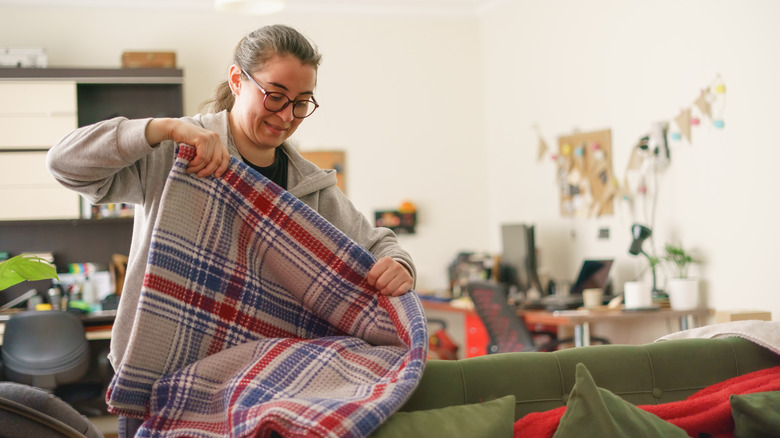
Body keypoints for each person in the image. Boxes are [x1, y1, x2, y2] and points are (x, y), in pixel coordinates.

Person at [46, 24, 415, 437]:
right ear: (238, 80)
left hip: (260, 387)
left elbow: (376, 243)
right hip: (162, 383)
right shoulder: (177, 152)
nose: (286, 116)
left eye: (301, 102)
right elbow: (64, 163)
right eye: (275, 96)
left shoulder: (311, 187)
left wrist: (398, 263)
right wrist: (163, 128)